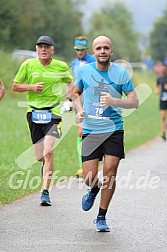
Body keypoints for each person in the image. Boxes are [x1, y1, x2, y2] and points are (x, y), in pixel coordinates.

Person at [73, 35, 139, 232]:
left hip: (113, 129)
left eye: (106, 48)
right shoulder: (84, 70)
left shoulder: (121, 74)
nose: (103, 51)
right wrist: (79, 109)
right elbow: (75, 93)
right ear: (93, 52)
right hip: (91, 130)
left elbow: (134, 101)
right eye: (99, 48)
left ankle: (101, 216)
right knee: (89, 176)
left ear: (111, 51)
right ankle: (93, 188)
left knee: (110, 171)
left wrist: (114, 101)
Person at [12, 35, 74, 206]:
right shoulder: (28, 65)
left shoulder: (61, 66)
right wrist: (31, 87)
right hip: (33, 112)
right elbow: (15, 86)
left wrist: (69, 100)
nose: (43, 50)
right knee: (39, 156)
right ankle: (45, 165)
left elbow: (71, 84)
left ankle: (45, 191)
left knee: (48, 151)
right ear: (36, 49)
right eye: (40, 47)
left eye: (47, 47)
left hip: (54, 112)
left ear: (52, 49)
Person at [70, 36, 95, 178]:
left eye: (82, 49)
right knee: (80, 133)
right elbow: (73, 84)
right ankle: (82, 167)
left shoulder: (93, 61)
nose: (79, 52)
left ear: (86, 49)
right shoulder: (74, 63)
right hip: (79, 101)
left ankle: (92, 163)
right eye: (77, 50)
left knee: (92, 132)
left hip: (92, 101)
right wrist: (68, 99)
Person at [155, 63, 167, 140]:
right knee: (162, 117)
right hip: (163, 99)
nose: (162, 70)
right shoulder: (159, 78)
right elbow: (156, 86)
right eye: (161, 69)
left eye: (164, 69)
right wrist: (156, 90)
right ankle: (163, 132)